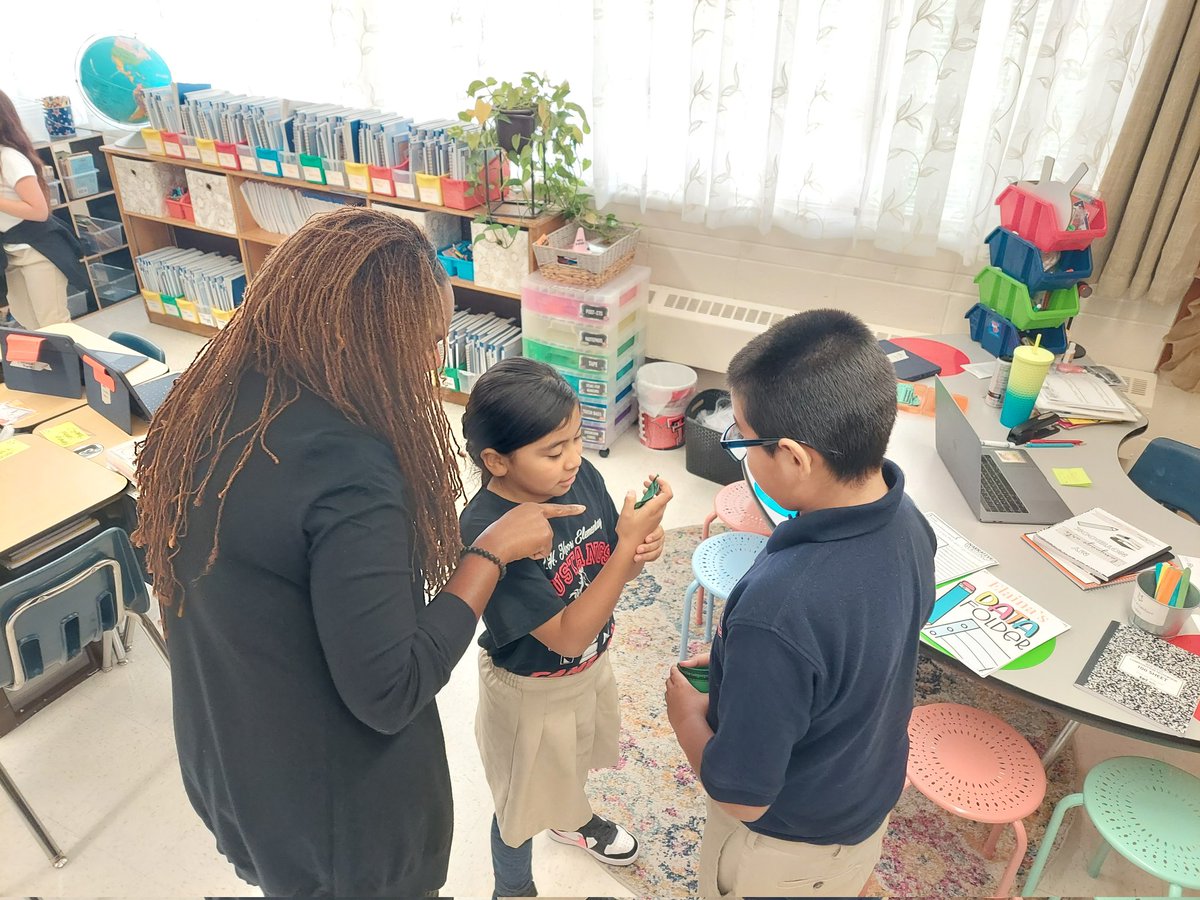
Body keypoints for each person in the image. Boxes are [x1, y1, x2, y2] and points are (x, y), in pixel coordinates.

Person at [133, 208, 580, 897]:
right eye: (428, 341)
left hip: (233, 764)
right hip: (342, 823)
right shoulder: (351, 470)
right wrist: (489, 552)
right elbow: (389, 690)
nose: (436, 359)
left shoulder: (208, 399)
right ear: (369, 339)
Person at [665, 309, 936, 898]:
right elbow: (848, 659)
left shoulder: (779, 610)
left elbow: (740, 793)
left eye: (741, 438)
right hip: (860, 795)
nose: (739, 452)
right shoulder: (908, 520)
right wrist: (740, 671)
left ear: (794, 457)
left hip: (783, 850)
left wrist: (685, 714)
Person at [460, 358, 672, 899]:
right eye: (553, 451)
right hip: (531, 689)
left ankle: (570, 818)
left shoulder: (580, 477)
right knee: (518, 806)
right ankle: (513, 889)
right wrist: (626, 549)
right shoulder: (490, 530)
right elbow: (567, 635)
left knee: (573, 758)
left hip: (588, 669)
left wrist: (635, 547)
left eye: (577, 440)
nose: (572, 460)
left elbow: (603, 566)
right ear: (496, 460)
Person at [0, 90, 85, 327]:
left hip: (37, 250)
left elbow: (39, 211)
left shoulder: (9, 158)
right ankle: (43, 365)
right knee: (29, 323)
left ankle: (70, 365)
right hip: (10, 251)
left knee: (53, 324)